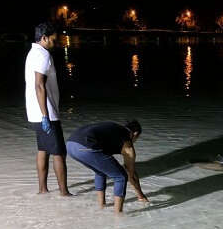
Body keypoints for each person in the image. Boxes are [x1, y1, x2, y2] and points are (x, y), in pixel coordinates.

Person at [25, 22, 71, 196]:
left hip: (36, 111)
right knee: (59, 152)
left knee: (43, 150)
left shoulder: (33, 53)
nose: (56, 43)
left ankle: (42, 190)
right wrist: (46, 115)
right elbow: (39, 86)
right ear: (44, 38)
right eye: (53, 40)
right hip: (46, 113)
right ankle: (64, 193)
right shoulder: (42, 55)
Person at [66, 120, 149, 213]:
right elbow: (131, 174)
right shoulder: (127, 141)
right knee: (121, 177)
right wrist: (141, 196)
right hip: (85, 146)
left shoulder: (114, 129)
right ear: (135, 134)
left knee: (100, 171)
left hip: (70, 145)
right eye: (137, 139)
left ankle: (102, 205)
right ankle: (118, 214)